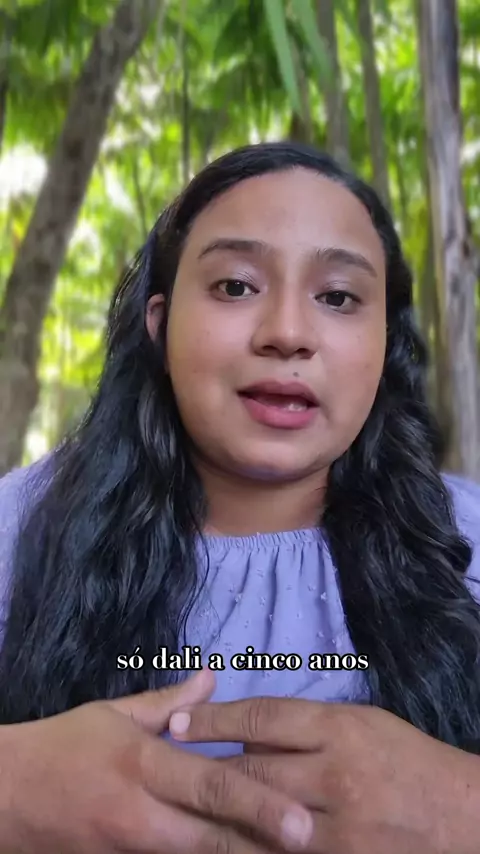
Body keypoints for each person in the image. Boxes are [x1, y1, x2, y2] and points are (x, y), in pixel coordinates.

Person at [0, 142, 479, 853]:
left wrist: (463, 809)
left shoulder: (464, 539)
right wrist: (14, 788)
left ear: (385, 343)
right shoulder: (20, 528)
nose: (287, 334)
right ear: (159, 323)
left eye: (337, 297)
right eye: (235, 286)